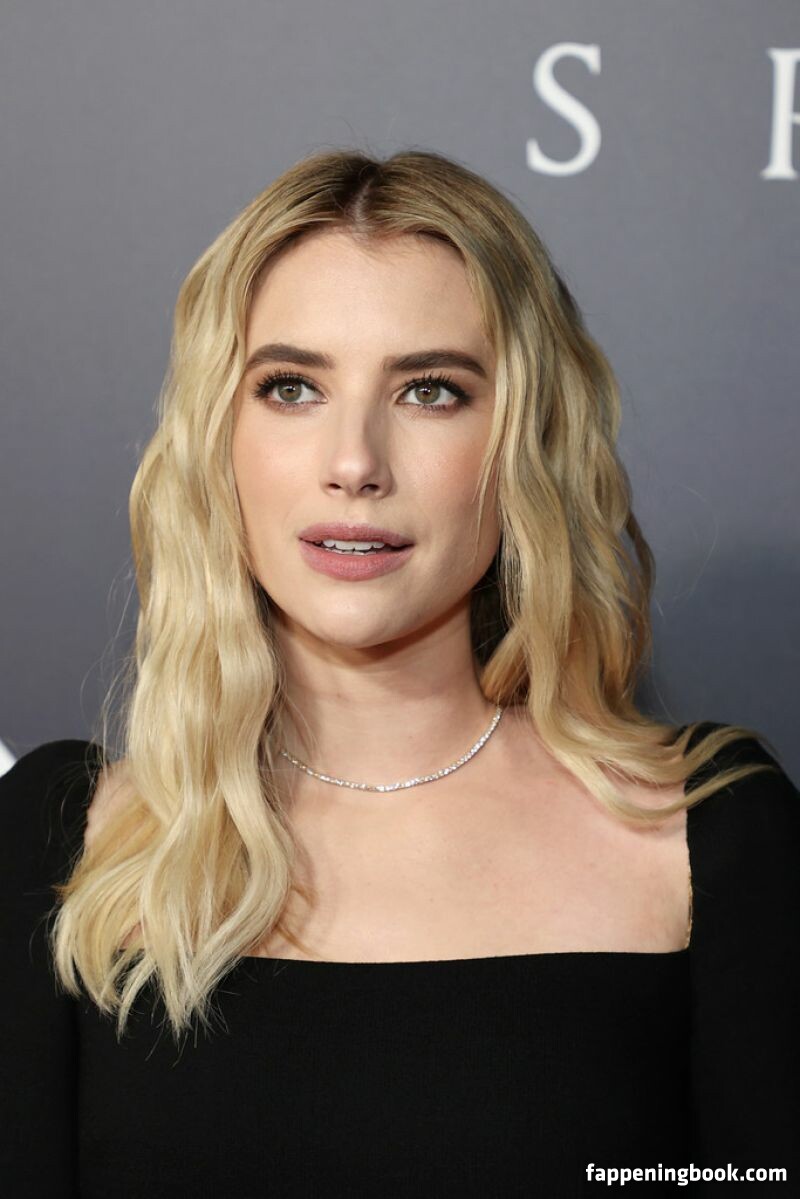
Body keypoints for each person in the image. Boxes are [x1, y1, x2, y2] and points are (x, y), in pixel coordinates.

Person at [1, 147, 798, 1198]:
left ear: (523, 441)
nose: (354, 461)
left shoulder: (702, 834)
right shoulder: (64, 838)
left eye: (430, 390)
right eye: (291, 387)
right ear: (217, 436)